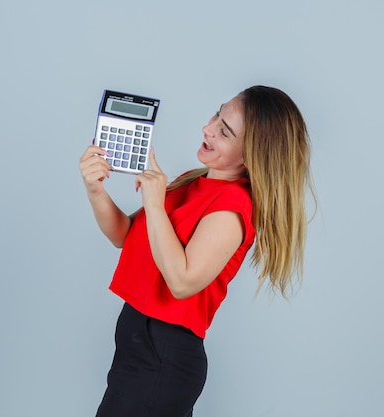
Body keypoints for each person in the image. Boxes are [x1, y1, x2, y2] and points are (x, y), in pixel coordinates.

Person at [78, 85, 313, 417]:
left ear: (250, 156)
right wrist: (95, 189)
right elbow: (125, 235)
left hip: (162, 358)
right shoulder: (194, 180)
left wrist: (155, 204)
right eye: (218, 115)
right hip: (136, 347)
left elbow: (182, 281)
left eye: (224, 132)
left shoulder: (233, 208)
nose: (208, 128)